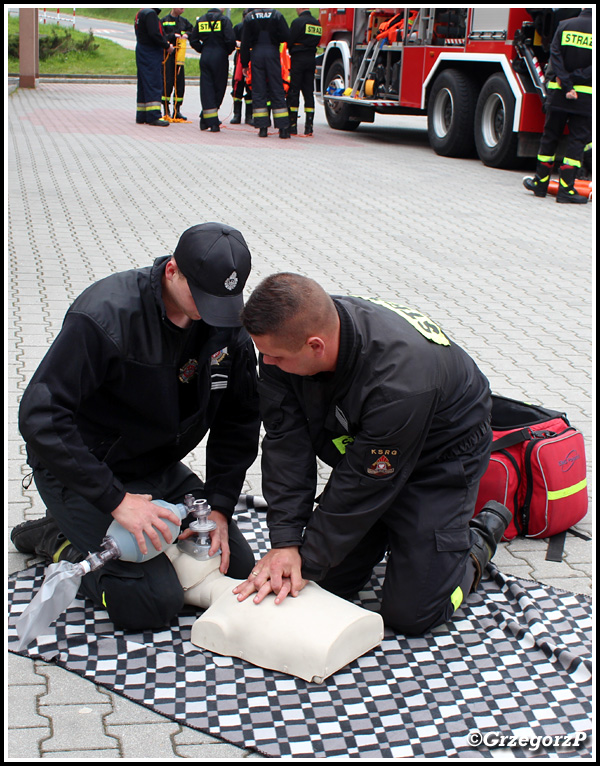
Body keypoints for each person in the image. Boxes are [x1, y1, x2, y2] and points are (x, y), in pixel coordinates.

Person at [12, 224, 261, 633]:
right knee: (148, 602)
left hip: (153, 465)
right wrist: (116, 501)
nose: (209, 312)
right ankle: (59, 539)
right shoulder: (106, 315)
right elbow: (40, 416)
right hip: (84, 470)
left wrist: (218, 505)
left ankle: (110, 532)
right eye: (202, 298)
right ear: (172, 271)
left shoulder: (226, 323)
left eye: (222, 302)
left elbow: (239, 420)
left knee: (235, 564)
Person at [233, 273, 511, 635]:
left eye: (276, 356)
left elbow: (362, 485)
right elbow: (286, 443)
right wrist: (286, 542)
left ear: (316, 346)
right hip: (373, 448)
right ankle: (390, 530)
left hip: (441, 457)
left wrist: (308, 558)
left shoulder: (398, 383)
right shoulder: (288, 334)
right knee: (325, 587)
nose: (266, 362)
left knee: (414, 614)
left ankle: (475, 544)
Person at [523, 8, 592, 204]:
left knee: (550, 137)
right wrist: (576, 80)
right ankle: (566, 190)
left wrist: (566, 81)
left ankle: (540, 184)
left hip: (559, 93)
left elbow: (555, 56)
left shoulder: (564, 26)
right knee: (577, 142)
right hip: (585, 97)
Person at [240, 8, 291, 138]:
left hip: (256, 53)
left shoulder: (249, 17)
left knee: (258, 90)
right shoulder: (277, 15)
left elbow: (244, 43)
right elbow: (286, 36)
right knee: (277, 88)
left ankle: (263, 128)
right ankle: (283, 129)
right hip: (272, 53)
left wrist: (245, 64)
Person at [189, 8, 236, 132]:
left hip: (205, 56)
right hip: (220, 56)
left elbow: (193, 40)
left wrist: (202, 49)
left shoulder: (201, 20)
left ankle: (205, 118)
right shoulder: (224, 20)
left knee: (206, 88)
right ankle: (212, 122)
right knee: (219, 88)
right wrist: (227, 51)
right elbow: (230, 40)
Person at [134, 7, 174, 127]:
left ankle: (142, 115)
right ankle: (153, 116)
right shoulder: (150, 14)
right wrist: (167, 46)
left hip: (142, 49)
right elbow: (154, 34)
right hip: (151, 52)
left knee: (143, 83)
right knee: (153, 82)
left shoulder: (140, 13)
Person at [287, 9, 322, 135]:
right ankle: (309, 126)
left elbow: (290, 40)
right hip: (311, 58)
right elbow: (318, 40)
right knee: (308, 92)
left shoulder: (297, 22)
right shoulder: (317, 24)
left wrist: (291, 49)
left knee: (294, 91)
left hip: (298, 59)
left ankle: (292, 125)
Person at [160, 8, 194, 120]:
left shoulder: (184, 21)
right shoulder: (164, 20)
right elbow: (161, 36)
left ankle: (177, 110)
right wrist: (172, 36)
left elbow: (193, 30)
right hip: (168, 56)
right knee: (167, 82)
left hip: (179, 57)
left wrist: (186, 35)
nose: (183, 9)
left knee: (180, 84)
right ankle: (166, 110)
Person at [230, 9, 253, 125]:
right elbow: (231, 39)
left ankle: (249, 116)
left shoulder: (255, 27)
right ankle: (236, 114)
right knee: (237, 86)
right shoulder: (238, 27)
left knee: (250, 88)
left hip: (251, 60)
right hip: (239, 59)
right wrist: (236, 42)